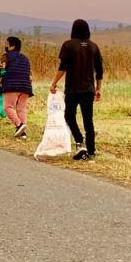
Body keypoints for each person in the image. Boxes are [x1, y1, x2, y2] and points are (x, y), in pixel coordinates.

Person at [50, 19, 104, 161]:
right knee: (88, 121)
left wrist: (54, 83)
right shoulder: (94, 46)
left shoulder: (68, 45)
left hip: (73, 88)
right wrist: (98, 89)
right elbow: (99, 70)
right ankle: (91, 153)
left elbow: (63, 67)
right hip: (89, 89)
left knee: (69, 116)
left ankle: (80, 142)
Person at [0, 36, 33, 138]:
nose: (5, 45)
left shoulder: (6, 56)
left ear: (12, 46)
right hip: (25, 87)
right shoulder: (25, 58)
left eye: (7, 43)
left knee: (7, 107)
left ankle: (19, 124)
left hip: (11, 86)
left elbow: (1, 71)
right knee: (21, 109)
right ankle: (23, 133)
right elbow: (29, 73)